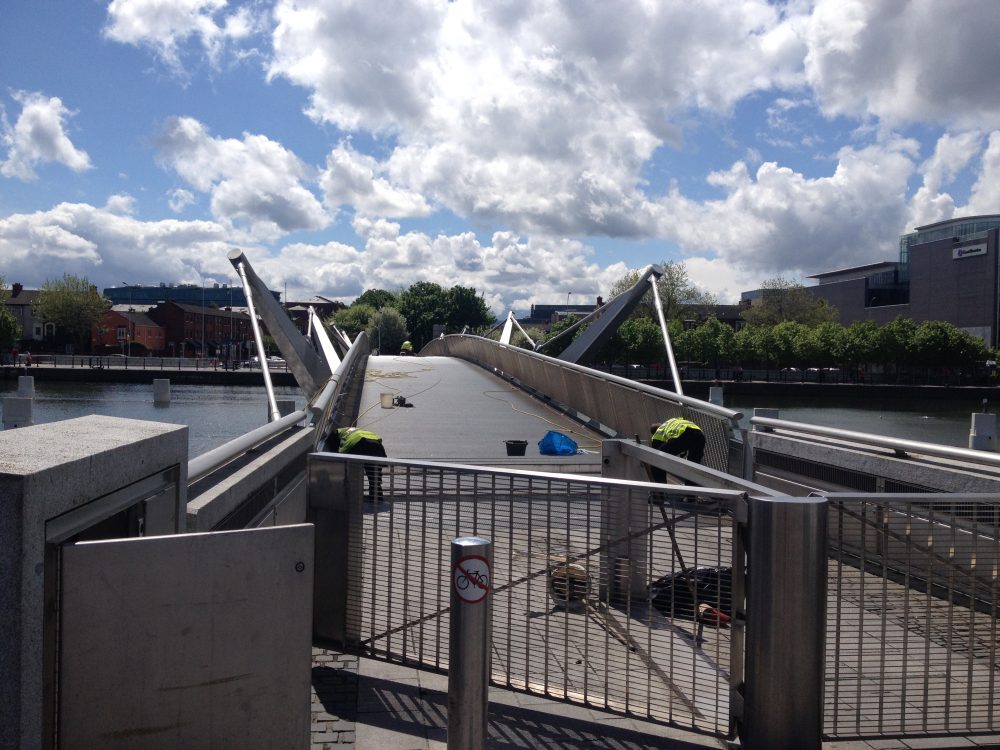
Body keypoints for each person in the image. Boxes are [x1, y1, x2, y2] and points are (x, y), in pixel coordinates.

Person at [328, 427, 387, 503]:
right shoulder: (351, 430)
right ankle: (377, 498)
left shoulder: (339, 435)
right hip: (377, 444)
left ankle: (352, 497)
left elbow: (340, 452)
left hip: (359, 444)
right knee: (374, 474)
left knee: (352, 473)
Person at [648, 417, 705, 484]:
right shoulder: (673, 421)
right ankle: (690, 492)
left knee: (656, 460)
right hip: (699, 435)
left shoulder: (658, 433)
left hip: (682, 435)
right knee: (693, 466)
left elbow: (657, 453)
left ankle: (661, 490)